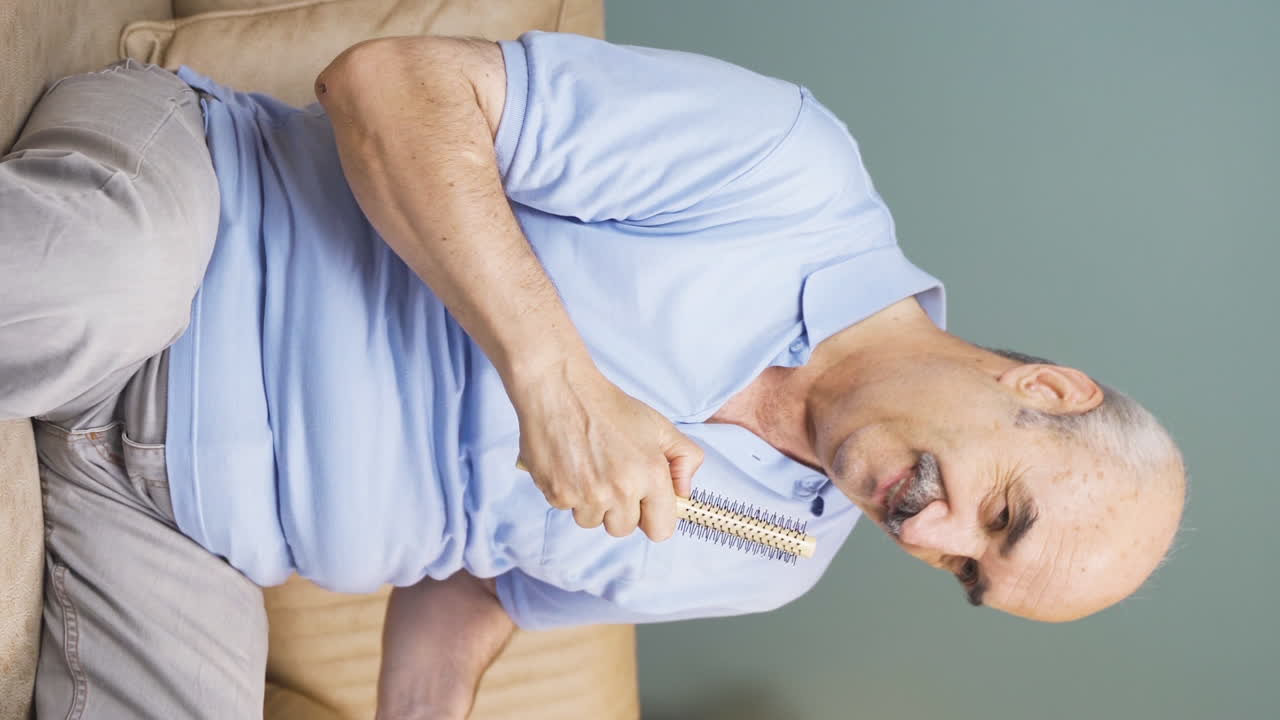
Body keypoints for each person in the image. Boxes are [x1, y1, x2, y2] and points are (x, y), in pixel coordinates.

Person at [0, 32, 1185, 720]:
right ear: (1046, 391)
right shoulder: (789, 176)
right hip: (204, 224)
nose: (929, 535)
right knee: (83, 289)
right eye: (1001, 515)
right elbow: (388, 85)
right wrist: (553, 383)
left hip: (189, 537)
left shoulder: (771, 561)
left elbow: (482, 587)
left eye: (968, 573)